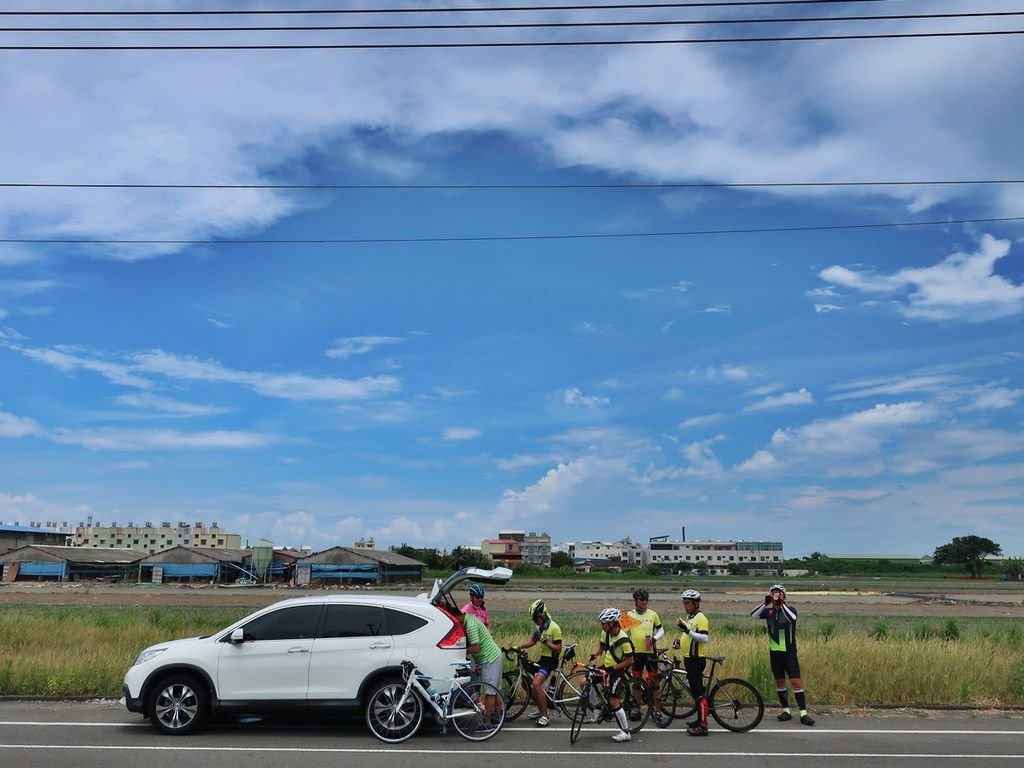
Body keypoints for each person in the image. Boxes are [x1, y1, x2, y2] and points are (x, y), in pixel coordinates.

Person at [750, 583, 815, 726]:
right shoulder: (768, 612)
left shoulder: (790, 610)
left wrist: (782, 603)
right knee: (780, 683)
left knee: (795, 682)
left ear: (784, 596)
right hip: (775, 653)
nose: (776, 595)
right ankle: (786, 710)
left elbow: (792, 618)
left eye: (779, 593)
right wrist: (765, 603)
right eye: (773, 593)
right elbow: (753, 615)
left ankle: (803, 713)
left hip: (789, 652)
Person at [588, 607, 635, 743]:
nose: (601, 625)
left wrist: (614, 668)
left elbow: (630, 660)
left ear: (612, 624)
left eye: (604, 623)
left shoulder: (623, 639)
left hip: (618, 671)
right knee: (585, 681)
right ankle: (597, 709)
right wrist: (596, 654)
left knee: (613, 700)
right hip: (607, 668)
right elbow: (602, 646)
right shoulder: (606, 633)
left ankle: (626, 732)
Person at [518, 598, 563, 727]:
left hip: (551, 661)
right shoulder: (539, 627)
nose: (535, 621)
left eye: (536, 618)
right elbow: (532, 641)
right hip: (542, 659)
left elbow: (559, 648)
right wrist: (519, 647)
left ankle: (545, 716)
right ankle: (541, 707)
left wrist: (547, 643)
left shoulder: (554, 628)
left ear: (542, 615)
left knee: (536, 684)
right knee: (525, 682)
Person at [456, 606, 503, 728]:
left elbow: (476, 647)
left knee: (490, 692)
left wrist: (460, 651)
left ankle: (487, 722)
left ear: (457, 617)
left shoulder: (470, 626)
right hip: (495, 655)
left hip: (489, 659)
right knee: (495, 689)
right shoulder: (470, 618)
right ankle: (497, 717)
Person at [625, 587, 666, 723]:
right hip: (635, 654)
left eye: (646, 599)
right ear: (635, 601)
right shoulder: (629, 615)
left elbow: (661, 630)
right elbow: (622, 634)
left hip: (650, 653)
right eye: (642, 599)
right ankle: (637, 710)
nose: (644, 602)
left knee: (655, 684)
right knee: (636, 684)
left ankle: (657, 711)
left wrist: (654, 639)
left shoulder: (653, 615)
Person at [673, 588, 711, 736]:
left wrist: (687, 631)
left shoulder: (701, 618)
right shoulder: (690, 618)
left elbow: (704, 638)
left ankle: (703, 726)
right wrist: (680, 642)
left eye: (688, 603)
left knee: (699, 693)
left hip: (696, 659)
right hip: (689, 659)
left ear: (696, 604)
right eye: (684, 603)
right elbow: (690, 638)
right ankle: (700, 718)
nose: (685, 606)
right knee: (696, 691)